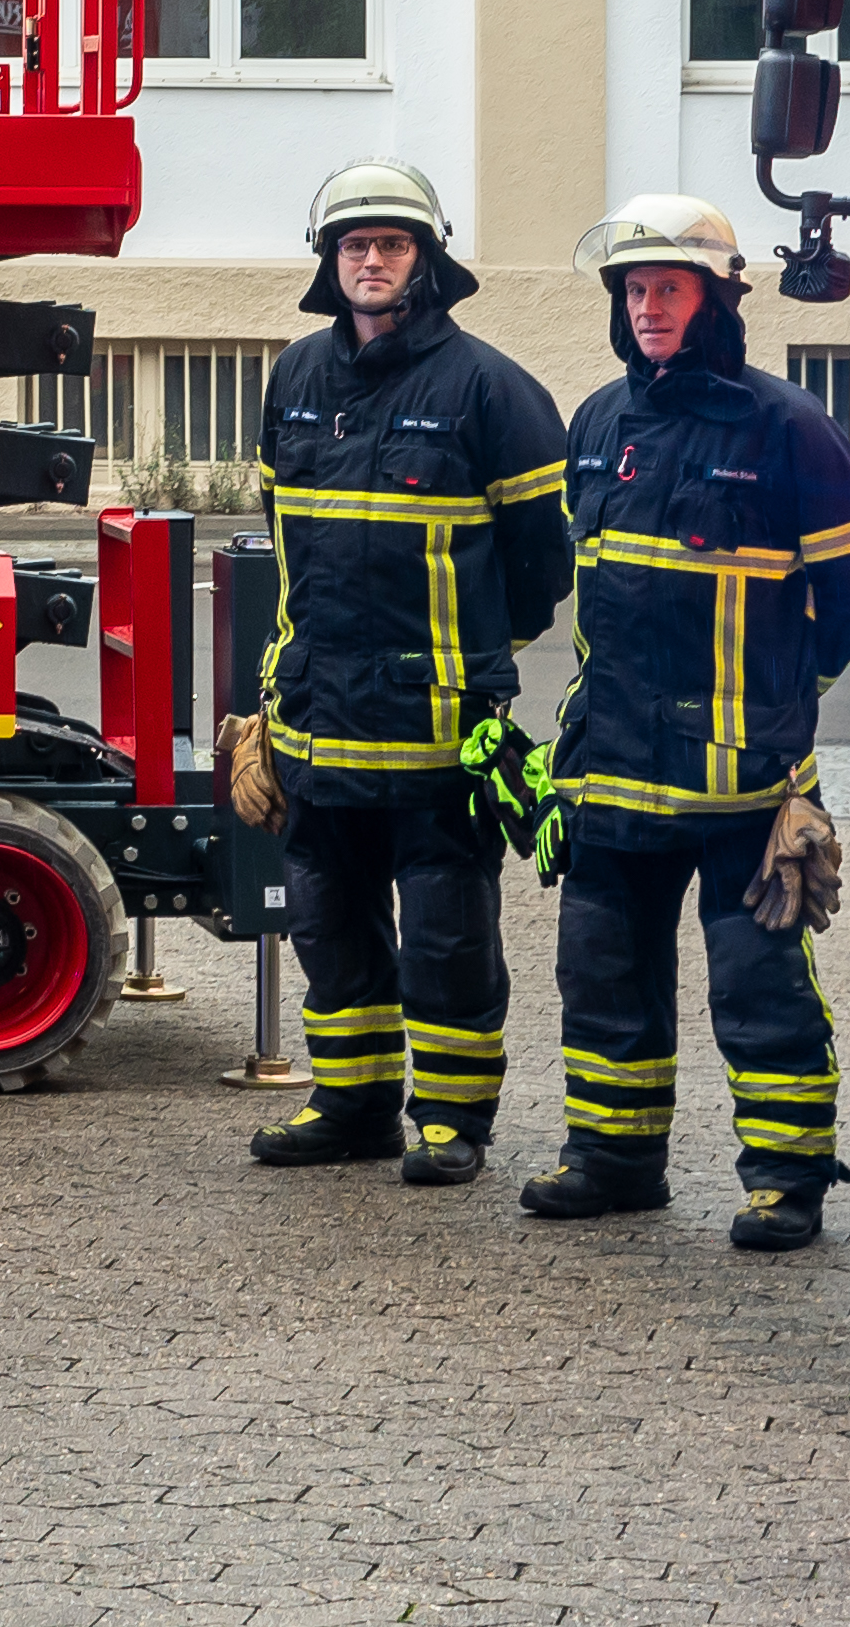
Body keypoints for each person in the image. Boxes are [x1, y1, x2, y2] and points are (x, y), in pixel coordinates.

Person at [525, 191, 850, 1253]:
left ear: (718, 298)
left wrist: (774, 716)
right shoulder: (596, 422)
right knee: (599, 977)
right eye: (632, 289)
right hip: (613, 775)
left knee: (757, 988)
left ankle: (784, 1179)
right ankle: (612, 1159)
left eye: (666, 287)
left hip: (739, 784)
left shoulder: (790, 431)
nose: (645, 307)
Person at [240, 160, 571, 1187]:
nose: (371, 260)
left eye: (390, 244)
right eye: (353, 245)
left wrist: (469, 667)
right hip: (314, 726)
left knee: (445, 938)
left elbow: (539, 569)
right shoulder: (293, 377)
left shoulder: (491, 389)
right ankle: (350, 1106)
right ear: (327, 264)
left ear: (426, 260)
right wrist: (269, 698)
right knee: (328, 930)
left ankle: (450, 1118)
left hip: (435, 734)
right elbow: (284, 546)